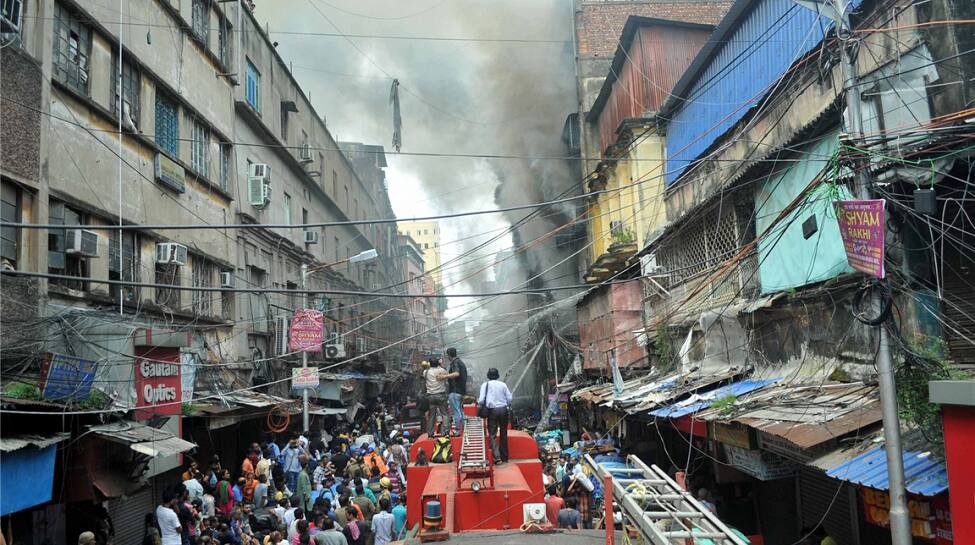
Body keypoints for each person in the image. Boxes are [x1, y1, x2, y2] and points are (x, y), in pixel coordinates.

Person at [478, 368, 512, 464]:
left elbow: (481, 400)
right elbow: (509, 398)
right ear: (498, 375)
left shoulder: (485, 385)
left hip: (492, 411)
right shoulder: (503, 385)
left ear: (488, 375)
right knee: (503, 433)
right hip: (503, 410)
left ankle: (497, 458)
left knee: (492, 434)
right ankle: (505, 457)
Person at [443, 347, 468, 436]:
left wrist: (444, 377)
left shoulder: (455, 363)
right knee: (461, 411)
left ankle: (458, 430)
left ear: (449, 355)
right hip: (461, 391)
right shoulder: (461, 362)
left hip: (455, 391)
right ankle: (465, 429)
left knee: (456, 412)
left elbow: (457, 374)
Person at [421, 357, 449, 436]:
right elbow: (447, 375)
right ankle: (445, 432)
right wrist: (441, 365)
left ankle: (430, 433)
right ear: (438, 363)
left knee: (432, 415)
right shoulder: (442, 370)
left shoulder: (425, 372)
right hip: (441, 395)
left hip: (430, 396)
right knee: (444, 413)